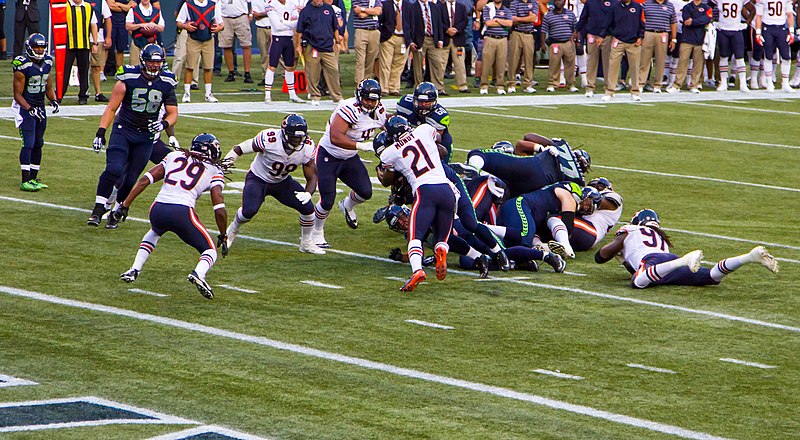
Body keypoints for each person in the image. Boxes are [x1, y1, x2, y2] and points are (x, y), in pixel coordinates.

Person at [115, 133, 228, 300]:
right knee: (210, 250)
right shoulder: (214, 169)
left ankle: (134, 269)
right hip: (182, 212)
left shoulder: (173, 156)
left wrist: (124, 205)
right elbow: (218, 207)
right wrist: (223, 234)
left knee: (154, 231)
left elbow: (144, 181)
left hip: (157, 209)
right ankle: (199, 274)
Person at [88, 44, 178, 228]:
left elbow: (173, 113)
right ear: (143, 61)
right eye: (151, 62)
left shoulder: (167, 81)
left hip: (146, 137)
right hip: (124, 130)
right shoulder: (128, 77)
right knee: (114, 169)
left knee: (130, 179)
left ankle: (115, 212)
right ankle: (98, 210)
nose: (154, 66)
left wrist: (163, 125)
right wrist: (101, 132)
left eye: (158, 62)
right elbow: (112, 107)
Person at [221, 114, 325, 255]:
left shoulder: (307, 146)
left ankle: (306, 243)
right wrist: (226, 163)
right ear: (284, 133)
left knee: (307, 208)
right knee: (248, 211)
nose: (297, 141)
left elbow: (312, 176)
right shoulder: (269, 139)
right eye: (294, 137)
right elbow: (239, 149)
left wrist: (308, 193)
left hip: (282, 181)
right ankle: (232, 230)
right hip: (258, 178)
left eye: (300, 138)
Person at [595, 209, 779, 288]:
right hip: (664, 261)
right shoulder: (660, 236)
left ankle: (682, 261)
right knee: (712, 277)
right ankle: (749, 257)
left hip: (655, 261)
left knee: (638, 282)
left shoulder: (630, 230)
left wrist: (615, 249)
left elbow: (601, 257)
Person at [375, 116, 456, 292]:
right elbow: (439, 140)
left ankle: (417, 270)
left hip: (424, 191)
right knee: (441, 238)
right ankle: (442, 249)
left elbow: (387, 180)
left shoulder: (389, 152)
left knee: (415, 236)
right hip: (446, 188)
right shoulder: (425, 129)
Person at [312, 79, 386, 248]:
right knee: (327, 200)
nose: (369, 103)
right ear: (359, 96)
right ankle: (316, 232)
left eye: (373, 100)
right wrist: (361, 146)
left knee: (365, 191)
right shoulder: (348, 108)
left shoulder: (379, 110)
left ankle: (347, 205)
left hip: (349, 157)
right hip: (329, 156)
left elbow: (385, 126)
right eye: (366, 99)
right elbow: (336, 136)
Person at [463, 138, 591, 198]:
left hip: (533, 166)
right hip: (536, 189)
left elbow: (526, 138)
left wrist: (543, 147)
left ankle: (471, 172)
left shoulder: (563, 149)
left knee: (479, 153)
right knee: (506, 203)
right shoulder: (578, 182)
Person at [12, 33, 59, 192]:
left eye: (42, 47)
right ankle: (25, 180)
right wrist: (30, 109)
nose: (40, 50)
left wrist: (53, 99)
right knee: (29, 142)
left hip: (40, 107)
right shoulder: (22, 65)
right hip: (25, 107)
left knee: (39, 142)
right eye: (36, 47)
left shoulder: (47, 62)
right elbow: (17, 94)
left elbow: (48, 83)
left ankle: (33, 177)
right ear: (29, 48)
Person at [296, 0, 344, 105]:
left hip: (328, 45)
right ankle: (315, 96)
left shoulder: (328, 8)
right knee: (313, 72)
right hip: (312, 46)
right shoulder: (306, 11)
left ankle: (337, 96)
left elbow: (334, 26)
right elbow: (300, 30)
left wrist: (337, 41)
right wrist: (298, 45)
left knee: (334, 70)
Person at [177, 0, 224, 103]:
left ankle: (208, 93)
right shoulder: (188, 4)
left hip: (208, 39)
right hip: (194, 39)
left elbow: (221, 24)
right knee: (190, 67)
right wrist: (186, 26)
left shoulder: (213, 5)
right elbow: (179, 22)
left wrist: (218, 28)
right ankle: (187, 93)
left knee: (208, 67)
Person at [600, 0, 645, 101]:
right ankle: (610, 91)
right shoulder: (614, 7)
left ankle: (635, 91)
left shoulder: (638, 7)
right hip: (618, 40)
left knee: (635, 67)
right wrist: (602, 36)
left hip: (633, 42)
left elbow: (642, 23)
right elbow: (607, 23)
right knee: (613, 66)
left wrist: (640, 37)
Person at [263, 0, 304, 103]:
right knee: (272, 65)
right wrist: (290, 23)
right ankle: (267, 94)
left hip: (289, 39)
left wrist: (284, 22)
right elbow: (277, 26)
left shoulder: (291, 4)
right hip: (277, 38)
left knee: (290, 66)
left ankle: (292, 94)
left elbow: (298, 22)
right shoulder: (271, 5)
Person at [666, 0, 712, 93]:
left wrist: (694, 21)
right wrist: (699, 21)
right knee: (682, 62)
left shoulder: (707, 8)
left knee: (698, 64)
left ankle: (694, 85)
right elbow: (686, 20)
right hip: (687, 38)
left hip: (700, 39)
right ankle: (677, 84)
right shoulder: (687, 7)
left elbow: (707, 19)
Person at [404, 0, 446, 93]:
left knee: (437, 63)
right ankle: (419, 87)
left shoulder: (434, 7)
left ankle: (438, 87)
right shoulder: (412, 7)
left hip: (433, 39)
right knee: (418, 65)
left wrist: (440, 39)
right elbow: (409, 25)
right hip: (419, 40)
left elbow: (439, 23)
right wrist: (410, 41)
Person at [754, 0, 796, 92]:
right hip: (767, 28)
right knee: (768, 56)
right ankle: (769, 82)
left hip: (781, 28)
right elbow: (759, 16)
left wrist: (791, 32)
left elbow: (789, 15)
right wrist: (758, 33)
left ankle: (785, 83)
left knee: (786, 57)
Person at [63, 0, 98, 105]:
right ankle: (59, 95)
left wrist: (95, 43)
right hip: (68, 45)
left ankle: (83, 96)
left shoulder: (88, 7)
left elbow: (93, 25)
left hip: (84, 44)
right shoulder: (65, 6)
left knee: (84, 71)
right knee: (64, 71)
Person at [576, 0, 614, 97]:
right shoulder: (591, 2)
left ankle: (609, 87)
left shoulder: (613, 2)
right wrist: (577, 30)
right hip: (593, 34)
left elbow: (614, 19)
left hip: (607, 35)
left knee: (607, 62)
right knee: (591, 61)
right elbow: (584, 17)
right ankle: (590, 87)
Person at [638, 0, 677, 93]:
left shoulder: (670, 5)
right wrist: (640, 35)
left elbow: (673, 23)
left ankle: (657, 85)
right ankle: (640, 83)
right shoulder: (646, 4)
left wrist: (673, 39)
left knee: (660, 61)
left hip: (663, 34)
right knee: (644, 60)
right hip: (648, 33)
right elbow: (640, 20)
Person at [713, 0, 751, 91]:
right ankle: (723, 83)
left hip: (736, 30)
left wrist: (746, 23)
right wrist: (713, 21)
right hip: (723, 30)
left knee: (740, 57)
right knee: (723, 57)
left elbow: (753, 10)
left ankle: (742, 84)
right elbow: (708, 7)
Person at [541, 0, 578, 92]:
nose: (558, 2)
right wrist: (542, 44)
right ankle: (552, 84)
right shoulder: (548, 15)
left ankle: (571, 84)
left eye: (560, 0)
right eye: (556, 1)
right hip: (555, 43)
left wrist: (576, 39)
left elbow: (575, 28)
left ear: (564, 2)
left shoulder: (570, 14)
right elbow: (543, 30)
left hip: (568, 43)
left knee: (570, 65)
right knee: (554, 65)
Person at [479, 0, 513, 94]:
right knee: (486, 63)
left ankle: (500, 86)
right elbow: (488, 23)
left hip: (502, 39)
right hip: (490, 38)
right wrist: (503, 22)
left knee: (501, 64)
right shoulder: (488, 8)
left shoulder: (507, 10)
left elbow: (510, 24)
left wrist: (497, 20)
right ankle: (484, 85)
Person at [378, 0, 411, 96]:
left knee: (399, 65)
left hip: (403, 39)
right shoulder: (385, 4)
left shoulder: (408, 5)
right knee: (385, 64)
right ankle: (384, 88)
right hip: (389, 38)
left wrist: (410, 38)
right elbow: (379, 21)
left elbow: (412, 23)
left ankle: (394, 88)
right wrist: (383, 35)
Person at [507, 0, 538, 94]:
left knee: (529, 60)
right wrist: (528, 17)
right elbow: (512, 20)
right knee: (513, 59)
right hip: (516, 33)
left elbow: (534, 19)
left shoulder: (534, 2)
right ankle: (511, 83)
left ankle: (528, 84)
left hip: (529, 33)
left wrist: (519, 19)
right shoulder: (514, 3)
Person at [220, 0, 254, 84]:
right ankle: (231, 72)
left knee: (246, 45)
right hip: (225, 17)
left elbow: (253, 2)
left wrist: (250, 14)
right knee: (226, 46)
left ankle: (247, 73)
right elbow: (215, 3)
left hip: (241, 16)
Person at [442, 0, 471, 93]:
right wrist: (447, 29)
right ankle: (439, 87)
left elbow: (465, 20)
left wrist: (456, 29)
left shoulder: (461, 7)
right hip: (444, 38)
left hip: (458, 39)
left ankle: (462, 86)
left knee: (460, 64)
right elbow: (438, 20)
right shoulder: (440, 6)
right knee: (441, 64)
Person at [352, 0, 383, 85]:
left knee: (371, 59)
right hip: (361, 30)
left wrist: (363, 9)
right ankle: (359, 83)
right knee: (360, 60)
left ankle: (367, 81)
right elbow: (361, 15)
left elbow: (378, 11)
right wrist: (372, 11)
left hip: (374, 31)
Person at [125, 0, 164, 65]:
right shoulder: (133, 10)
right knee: (135, 67)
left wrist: (154, 25)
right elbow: (128, 26)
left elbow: (162, 28)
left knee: (153, 67)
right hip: (137, 43)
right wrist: (140, 25)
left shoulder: (156, 11)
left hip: (152, 44)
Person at [90, 0, 112, 102]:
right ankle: (83, 92)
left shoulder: (101, 2)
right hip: (81, 38)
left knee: (97, 66)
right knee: (80, 66)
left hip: (98, 37)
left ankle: (98, 92)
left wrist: (108, 36)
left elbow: (108, 19)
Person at [107, 0, 135, 70]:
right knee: (108, 47)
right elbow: (111, 6)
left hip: (123, 23)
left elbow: (131, 8)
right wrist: (126, 7)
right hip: (111, 22)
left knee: (121, 49)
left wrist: (119, 4)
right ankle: (105, 70)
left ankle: (119, 70)